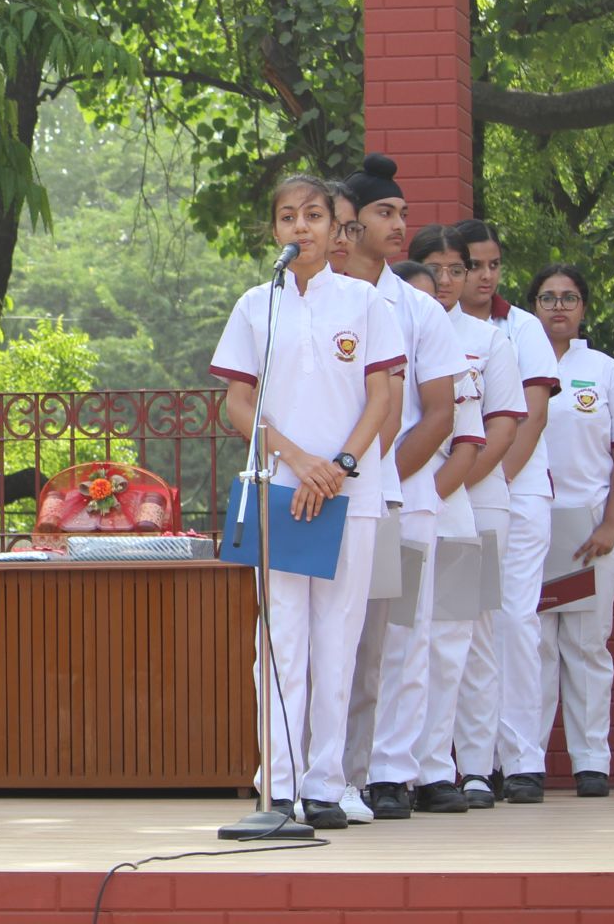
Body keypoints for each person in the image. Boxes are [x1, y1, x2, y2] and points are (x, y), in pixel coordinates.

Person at [207, 175, 399, 830]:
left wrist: (339, 466)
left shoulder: (365, 302)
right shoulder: (256, 304)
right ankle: (280, 784)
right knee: (282, 640)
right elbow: (238, 402)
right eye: (288, 216)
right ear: (274, 230)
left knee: (338, 640)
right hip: (281, 490)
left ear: (335, 228)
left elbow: (382, 396)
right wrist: (297, 459)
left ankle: (325, 784)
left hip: (350, 491)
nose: (301, 227)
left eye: (314, 215)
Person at [334, 157, 464, 820]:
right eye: (385, 213)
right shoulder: (318, 301)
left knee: (404, 638)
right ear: (350, 224)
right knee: (339, 637)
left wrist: (377, 475)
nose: (400, 225)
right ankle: (334, 772)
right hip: (327, 497)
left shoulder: (418, 309)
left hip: (405, 496)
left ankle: (391, 771)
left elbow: (438, 414)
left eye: (402, 214)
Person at [405, 227, 522, 813]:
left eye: (458, 269)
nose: (447, 280)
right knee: (405, 635)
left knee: (469, 635)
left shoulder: (487, 339)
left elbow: (499, 428)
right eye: (436, 269)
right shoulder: (393, 330)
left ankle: (472, 766)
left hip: (473, 500)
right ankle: (405, 767)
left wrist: (445, 488)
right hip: (414, 502)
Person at [529, 263, 614, 798]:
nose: (558, 306)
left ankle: (591, 762)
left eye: (569, 297)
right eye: (548, 297)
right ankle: (524, 762)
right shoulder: (517, 362)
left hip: (590, 530)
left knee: (585, 646)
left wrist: (610, 524)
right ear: (533, 306)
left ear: (583, 307)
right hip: (531, 526)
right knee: (532, 646)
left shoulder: (605, 371)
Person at [453, 219, 561, 805]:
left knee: (516, 619)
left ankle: (521, 759)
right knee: (465, 621)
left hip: (516, 492)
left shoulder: (522, 327)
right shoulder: (435, 323)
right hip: (459, 491)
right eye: (475, 264)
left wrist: (491, 482)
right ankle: (475, 760)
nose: (485, 275)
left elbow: (531, 417)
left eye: (494, 264)